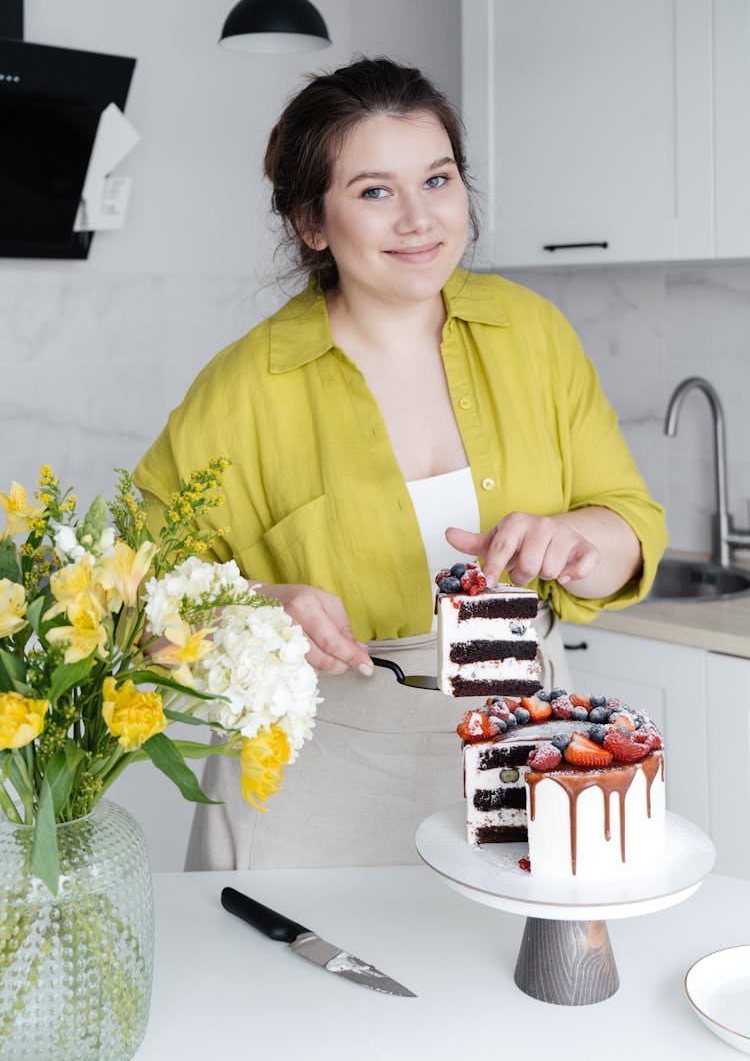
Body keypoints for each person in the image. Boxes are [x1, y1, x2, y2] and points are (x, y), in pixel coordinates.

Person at [134, 56, 667, 871]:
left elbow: (628, 525)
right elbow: (131, 612)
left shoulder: (534, 335)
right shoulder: (239, 392)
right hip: (315, 777)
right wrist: (254, 607)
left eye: (439, 179)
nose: (420, 219)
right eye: (375, 191)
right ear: (313, 223)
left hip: (524, 744)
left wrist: (575, 540)